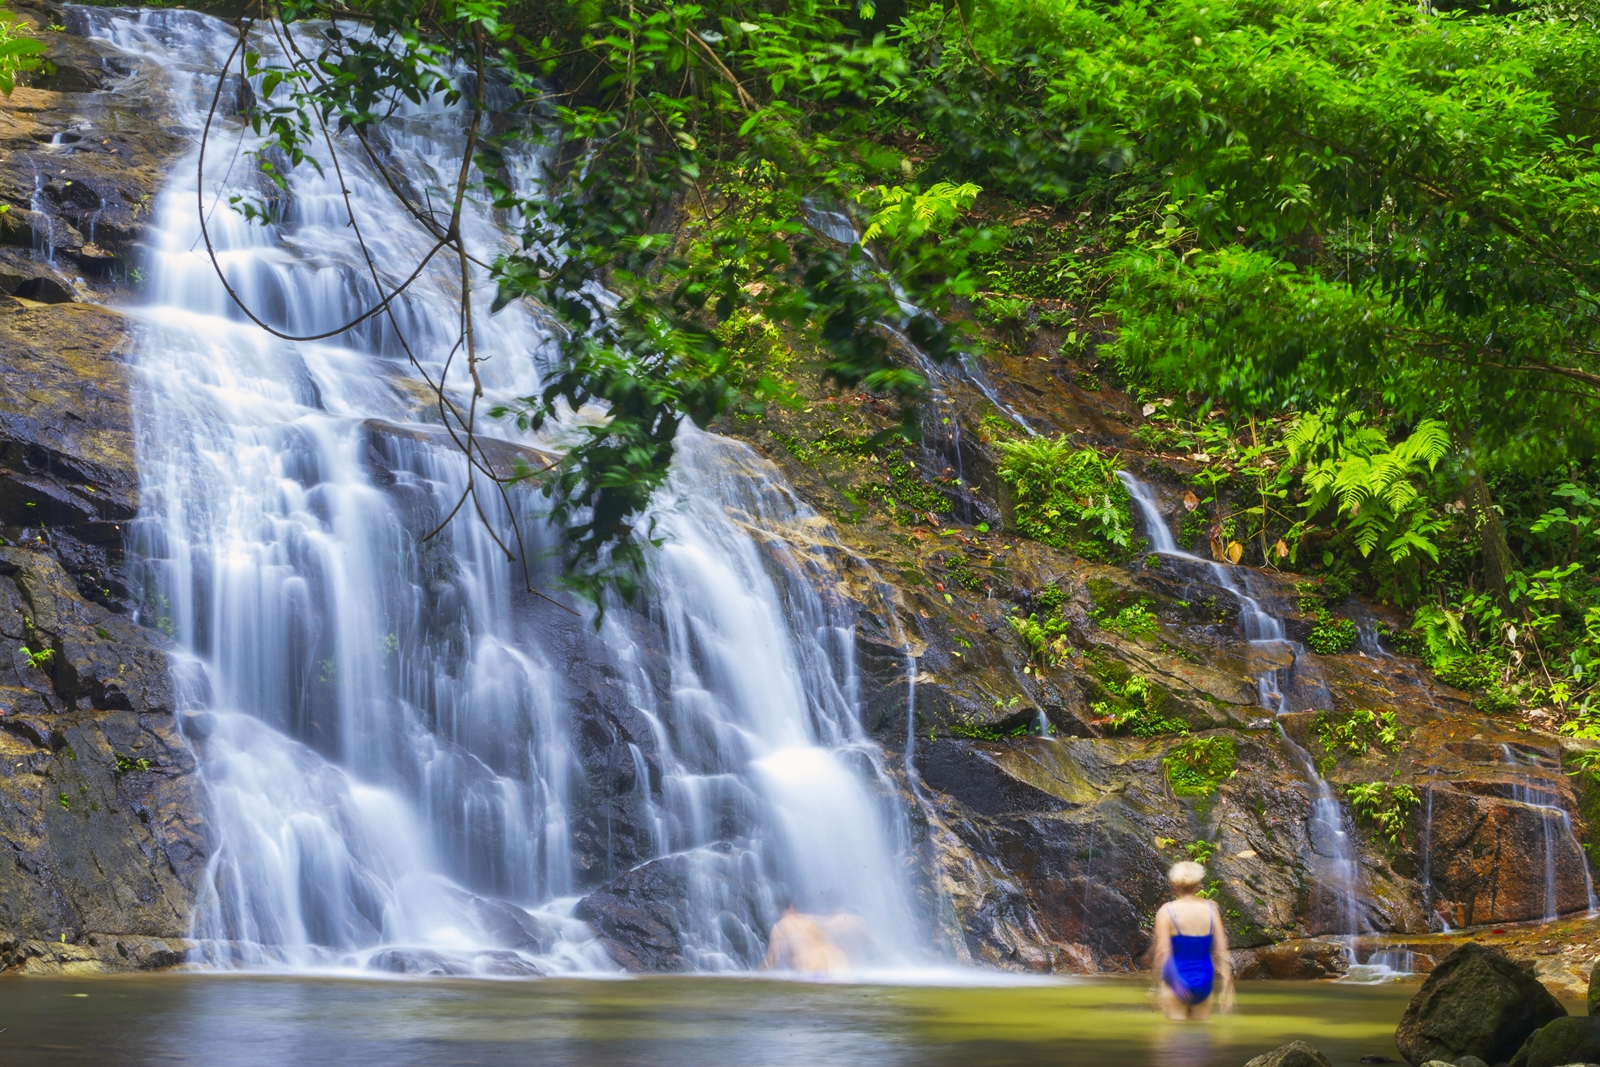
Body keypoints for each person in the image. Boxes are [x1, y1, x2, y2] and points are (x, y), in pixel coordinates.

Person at [1150, 860, 1235, 1020]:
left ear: (1175, 884)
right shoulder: (1211, 909)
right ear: (1198, 884)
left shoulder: (1167, 911)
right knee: (1201, 1036)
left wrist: (1155, 987)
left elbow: (1162, 951)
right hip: (1204, 980)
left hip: (1176, 980)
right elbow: (1222, 950)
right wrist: (1227, 984)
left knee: (1173, 1038)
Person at [762, 897, 849, 972]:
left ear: (776, 908)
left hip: (812, 968)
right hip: (838, 962)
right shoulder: (810, 919)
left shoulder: (780, 927)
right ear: (792, 905)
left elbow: (772, 961)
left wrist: (756, 974)